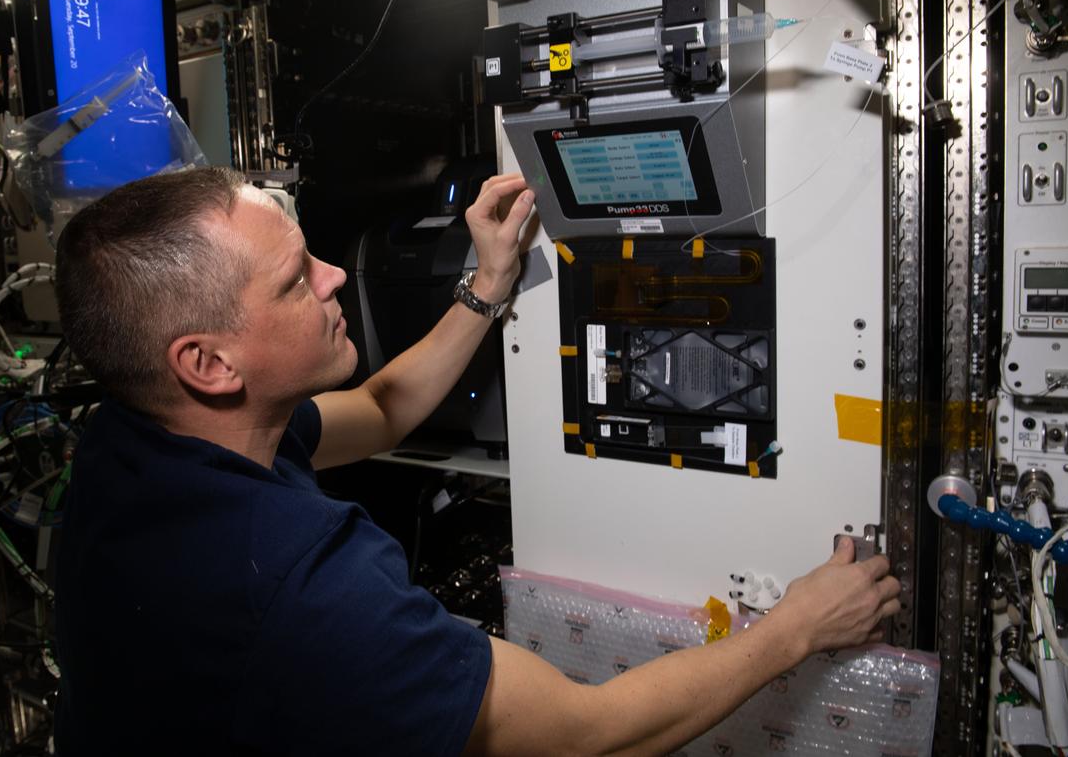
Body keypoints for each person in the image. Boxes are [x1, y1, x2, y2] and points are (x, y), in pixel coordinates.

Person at [52, 165, 901, 755]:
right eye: (291, 281)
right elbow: (586, 733)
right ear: (209, 364)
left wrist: (487, 284)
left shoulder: (139, 445)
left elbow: (385, 412)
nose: (336, 274)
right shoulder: (295, 589)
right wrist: (797, 627)